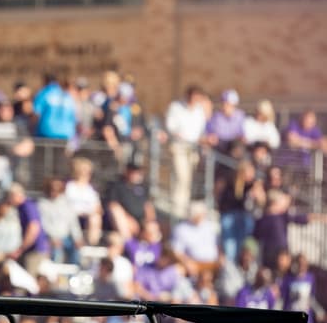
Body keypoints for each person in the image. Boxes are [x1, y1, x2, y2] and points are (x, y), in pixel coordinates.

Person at [165, 85, 210, 218]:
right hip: (179, 147)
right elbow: (171, 127)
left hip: (193, 149)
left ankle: (184, 208)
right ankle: (178, 210)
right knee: (181, 177)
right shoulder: (176, 107)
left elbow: (201, 131)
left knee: (188, 179)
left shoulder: (199, 111)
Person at [217, 159, 264, 263]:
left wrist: (257, 192)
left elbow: (261, 202)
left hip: (244, 218)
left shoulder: (253, 185)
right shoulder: (231, 182)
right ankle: (231, 265)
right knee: (230, 247)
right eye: (249, 172)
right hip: (230, 217)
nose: (251, 175)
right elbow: (233, 201)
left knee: (243, 246)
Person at [38, 176, 83, 265]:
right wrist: (52, 238)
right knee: (56, 252)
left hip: (66, 238)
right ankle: (56, 276)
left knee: (76, 251)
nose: (54, 192)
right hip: (50, 238)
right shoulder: (42, 204)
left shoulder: (67, 204)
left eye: (57, 189)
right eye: (52, 189)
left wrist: (78, 238)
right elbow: (43, 224)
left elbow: (73, 223)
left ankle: (72, 276)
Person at [105, 163, 154, 241]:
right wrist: (129, 219)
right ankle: (129, 245)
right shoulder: (117, 186)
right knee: (117, 213)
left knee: (153, 228)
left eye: (138, 172)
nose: (136, 175)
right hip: (124, 220)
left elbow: (148, 206)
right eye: (134, 172)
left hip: (141, 221)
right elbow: (113, 205)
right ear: (127, 172)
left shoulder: (143, 187)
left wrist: (150, 221)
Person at [33, 73, 77, 141]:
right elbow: (74, 117)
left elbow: (36, 113)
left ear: (45, 81)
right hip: (66, 133)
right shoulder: (67, 96)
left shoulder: (44, 93)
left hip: (46, 132)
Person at [205, 89, 245, 154]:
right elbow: (209, 131)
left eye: (228, 104)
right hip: (219, 145)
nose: (225, 106)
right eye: (224, 103)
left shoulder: (240, 116)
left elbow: (242, 134)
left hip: (233, 145)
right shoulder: (216, 116)